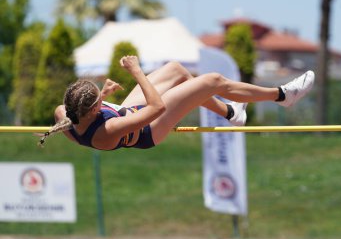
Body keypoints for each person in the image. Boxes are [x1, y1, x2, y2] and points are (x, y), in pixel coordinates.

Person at [39, 55, 314, 150]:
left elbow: (90, 112)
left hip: (125, 113)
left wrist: (105, 96)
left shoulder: (64, 112)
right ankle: (282, 96)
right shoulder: (104, 133)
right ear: (94, 110)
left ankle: (231, 113)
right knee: (213, 81)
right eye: (98, 98)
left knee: (177, 71)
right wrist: (137, 72)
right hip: (149, 129)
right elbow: (156, 108)